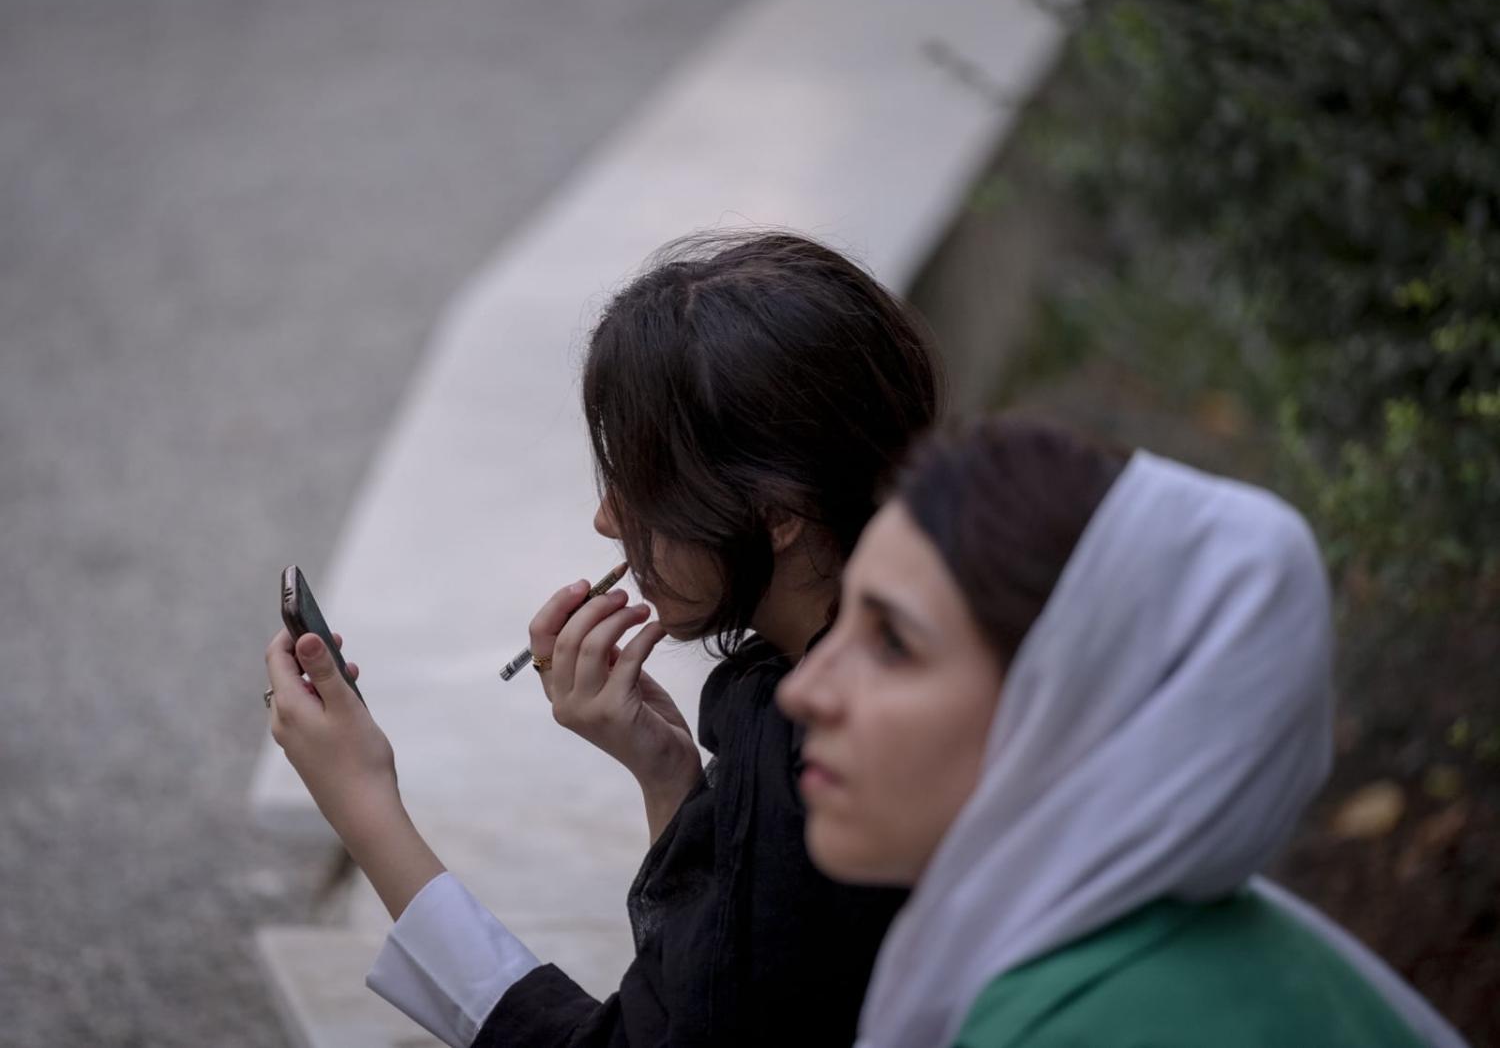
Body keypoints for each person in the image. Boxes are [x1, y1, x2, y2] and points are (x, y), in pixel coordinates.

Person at [264, 232, 940, 1047]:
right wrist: (671, 781)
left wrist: (365, 806)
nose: (607, 518)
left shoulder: (821, 774)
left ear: (777, 514)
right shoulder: (903, 644)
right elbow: (707, 990)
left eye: (643, 481)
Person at [777, 415, 1467, 1048]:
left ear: (1075, 704)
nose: (801, 690)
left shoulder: (1083, 1024)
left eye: (892, 642)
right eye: (839, 627)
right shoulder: (1200, 946)